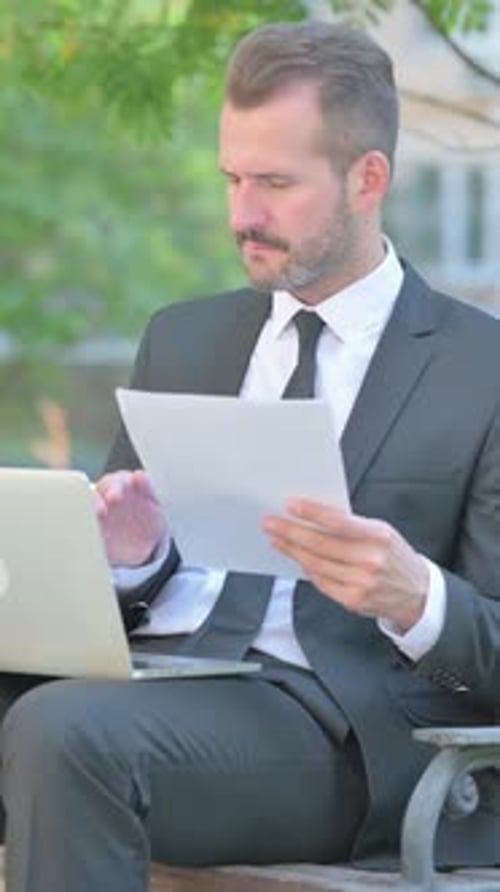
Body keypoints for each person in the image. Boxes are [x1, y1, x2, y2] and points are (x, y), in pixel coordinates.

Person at [2, 19, 500, 892]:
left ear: (367, 179)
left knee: (66, 734)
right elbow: (123, 588)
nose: (243, 214)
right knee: (61, 721)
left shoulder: (481, 370)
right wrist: (129, 559)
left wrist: (416, 597)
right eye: (232, 177)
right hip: (161, 678)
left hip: (345, 737)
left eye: (275, 183)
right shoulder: (184, 338)